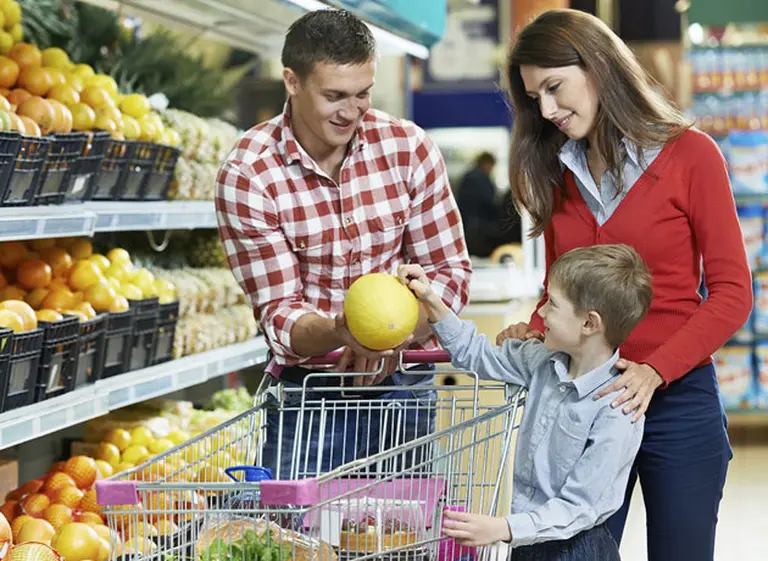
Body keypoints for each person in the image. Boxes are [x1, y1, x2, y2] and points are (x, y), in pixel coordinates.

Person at [495, 9, 752, 561]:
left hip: (676, 404)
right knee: (567, 552)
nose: (546, 109)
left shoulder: (691, 156)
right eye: (534, 97)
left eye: (554, 87)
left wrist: (656, 369)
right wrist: (538, 328)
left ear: (599, 67)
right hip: (580, 405)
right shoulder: (556, 170)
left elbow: (733, 293)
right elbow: (560, 289)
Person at [215, 9, 472, 479]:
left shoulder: (408, 147)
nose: (351, 111)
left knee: (402, 539)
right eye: (334, 96)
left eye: (362, 94)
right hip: (312, 395)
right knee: (302, 545)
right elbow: (279, 312)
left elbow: (450, 272)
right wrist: (343, 331)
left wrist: (392, 334)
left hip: (404, 390)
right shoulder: (249, 173)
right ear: (292, 81)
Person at [399, 243, 652, 560]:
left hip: (577, 549)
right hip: (526, 543)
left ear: (589, 323)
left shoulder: (618, 407)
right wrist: (431, 299)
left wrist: (502, 528)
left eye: (553, 304)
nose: (541, 311)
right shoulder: (541, 361)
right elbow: (476, 355)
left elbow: (580, 506)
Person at [456, 151, 498, 256]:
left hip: (466, 225)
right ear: (486, 163)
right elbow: (488, 202)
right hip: (480, 228)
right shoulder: (481, 180)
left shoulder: (467, 177)